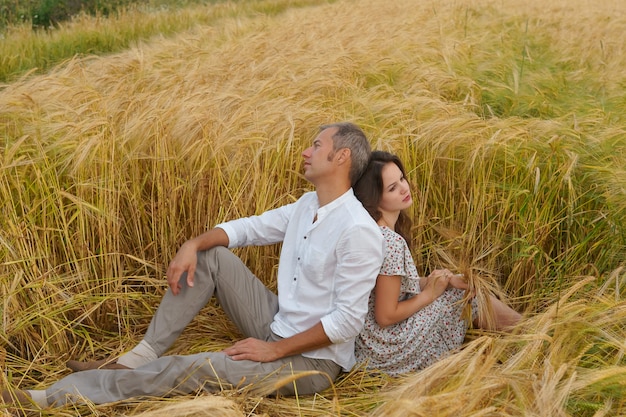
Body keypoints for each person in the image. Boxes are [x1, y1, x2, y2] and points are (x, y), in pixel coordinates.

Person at [1, 122, 384, 408]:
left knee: (191, 368)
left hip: (308, 361)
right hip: (277, 323)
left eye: (316, 145)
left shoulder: (358, 230)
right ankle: (136, 359)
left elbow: (346, 322)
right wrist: (193, 243)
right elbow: (248, 229)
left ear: (341, 157)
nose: (306, 151)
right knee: (211, 255)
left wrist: (275, 351)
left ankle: (50, 398)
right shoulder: (306, 205)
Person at [352, 150, 521, 376]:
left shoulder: (372, 233)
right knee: (467, 298)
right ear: (374, 200)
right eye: (392, 188)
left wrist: (441, 281)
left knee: (457, 290)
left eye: (402, 178)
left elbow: (390, 287)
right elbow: (385, 316)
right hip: (388, 348)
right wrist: (429, 295)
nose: (404, 188)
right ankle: (533, 335)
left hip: (370, 348)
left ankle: (531, 335)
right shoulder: (390, 242)